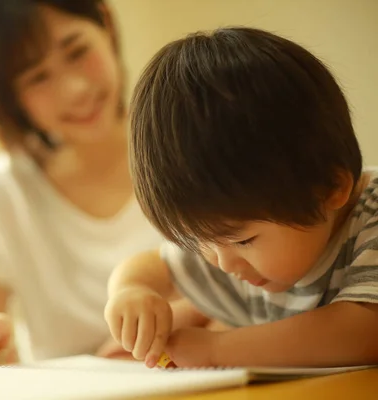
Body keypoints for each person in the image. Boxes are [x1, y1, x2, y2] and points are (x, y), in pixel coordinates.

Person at [105, 27, 378, 368]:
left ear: (330, 189)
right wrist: (130, 292)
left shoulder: (372, 216)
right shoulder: (231, 245)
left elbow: (364, 332)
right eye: (200, 239)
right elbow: (149, 267)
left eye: (245, 240)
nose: (222, 263)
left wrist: (216, 350)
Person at [0, 0, 169, 365]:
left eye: (78, 51)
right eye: (37, 77)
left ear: (106, 28)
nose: (74, 88)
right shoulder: (1, 198)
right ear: (12, 99)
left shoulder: (196, 147)